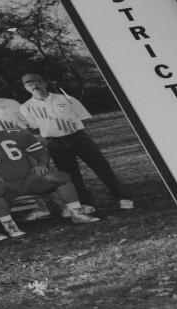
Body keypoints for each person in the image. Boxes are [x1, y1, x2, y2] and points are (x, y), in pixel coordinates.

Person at [18, 73, 134, 210]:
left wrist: (74, 132)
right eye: (29, 83)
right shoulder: (26, 107)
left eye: (37, 81)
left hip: (78, 138)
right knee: (71, 175)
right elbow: (34, 127)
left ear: (44, 83)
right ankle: (87, 203)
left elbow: (84, 117)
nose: (34, 85)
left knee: (102, 168)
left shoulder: (65, 98)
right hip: (55, 143)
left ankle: (124, 197)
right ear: (25, 87)